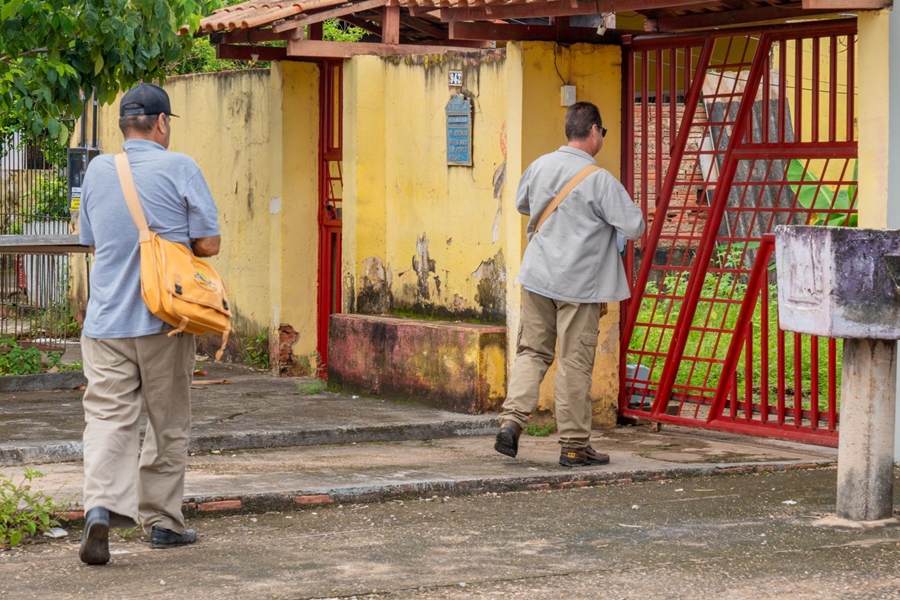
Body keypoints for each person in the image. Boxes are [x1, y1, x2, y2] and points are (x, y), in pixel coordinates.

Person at [77, 83, 222, 565]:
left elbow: (92, 240)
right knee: (167, 422)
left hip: (105, 323)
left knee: (106, 417)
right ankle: (162, 523)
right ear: (161, 123)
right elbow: (209, 243)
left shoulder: (98, 171)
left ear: (124, 125)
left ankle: (100, 505)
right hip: (166, 320)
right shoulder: (181, 166)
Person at [494, 102, 645, 467]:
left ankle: (512, 423)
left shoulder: (539, 165)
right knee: (574, 364)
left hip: (537, 277)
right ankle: (575, 445)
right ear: (594, 131)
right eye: (603, 133)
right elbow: (635, 226)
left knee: (532, 351)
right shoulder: (601, 180)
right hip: (580, 285)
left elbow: (521, 205)